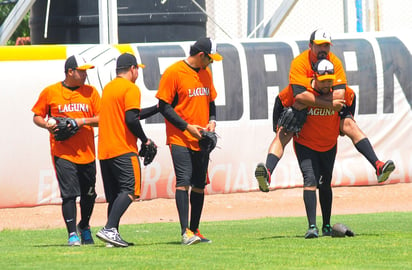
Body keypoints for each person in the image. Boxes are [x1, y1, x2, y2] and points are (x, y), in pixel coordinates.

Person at [255, 28, 395, 192]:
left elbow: (340, 94)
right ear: (310, 45)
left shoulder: (334, 62)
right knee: (283, 134)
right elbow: (299, 96)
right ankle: (268, 174)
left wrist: (322, 103)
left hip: (322, 106)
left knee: (350, 125)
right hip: (291, 103)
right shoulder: (300, 63)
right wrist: (329, 105)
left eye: (326, 46)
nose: (323, 49)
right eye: (319, 45)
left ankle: (378, 165)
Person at [155, 37, 222, 245]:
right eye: (209, 59)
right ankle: (185, 232)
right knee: (183, 182)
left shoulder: (206, 74)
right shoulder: (174, 72)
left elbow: (211, 102)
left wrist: (212, 121)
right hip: (180, 137)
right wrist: (187, 127)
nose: (211, 63)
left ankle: (195, 229)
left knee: (200, 185)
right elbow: (164, 107)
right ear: (201, 55)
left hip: (201, 138)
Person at [32, 55, 100, 246]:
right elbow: (37, 115)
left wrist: (81, 121)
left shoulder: (91, 92)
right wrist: (47, 125)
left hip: (87, 152)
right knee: (69, 194)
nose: (85, 74)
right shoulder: (51, 92)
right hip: (62, 151)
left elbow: (102, 118)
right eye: (82, 70)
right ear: (70, 71)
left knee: (89, 194)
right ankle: (72, 235)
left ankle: (84, 226)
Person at [96, 53, 156, 248]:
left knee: (115, 196)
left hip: (105, 151)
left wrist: (157, 108)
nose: (138, 72)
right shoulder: (131, 88)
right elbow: (131, 120)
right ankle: (109, 229)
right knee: (130, 191)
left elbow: (131, 114)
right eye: (137, 69)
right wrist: (145, 140)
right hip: (123, 149)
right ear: (132, 69)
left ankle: (111, 237)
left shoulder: (109, 88)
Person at [288, 59, 345, 238]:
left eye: (330, 80)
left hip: (328, 143)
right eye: (324, 80)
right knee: (310, 180)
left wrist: (343, 123)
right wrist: (277, 124)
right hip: (305, 143)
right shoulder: (304, 93)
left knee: (325, 182)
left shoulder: (339, 93)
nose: (327, 83)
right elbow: (281, 100)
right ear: (315, 77)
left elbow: (350, 101)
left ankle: (327, 225)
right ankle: (312, 226)